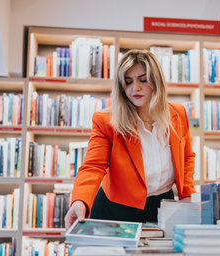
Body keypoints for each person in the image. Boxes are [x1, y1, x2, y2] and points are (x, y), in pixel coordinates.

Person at [65, 49, 196, 229]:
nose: (135, 88)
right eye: (128, 82)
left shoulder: (178, 114)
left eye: (143, 80)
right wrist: (79, 201)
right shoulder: (107, 121)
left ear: (156, 81)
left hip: (162, 204)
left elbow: (186, 158)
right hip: (116, 210)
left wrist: (187, 194)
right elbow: (93, 166)